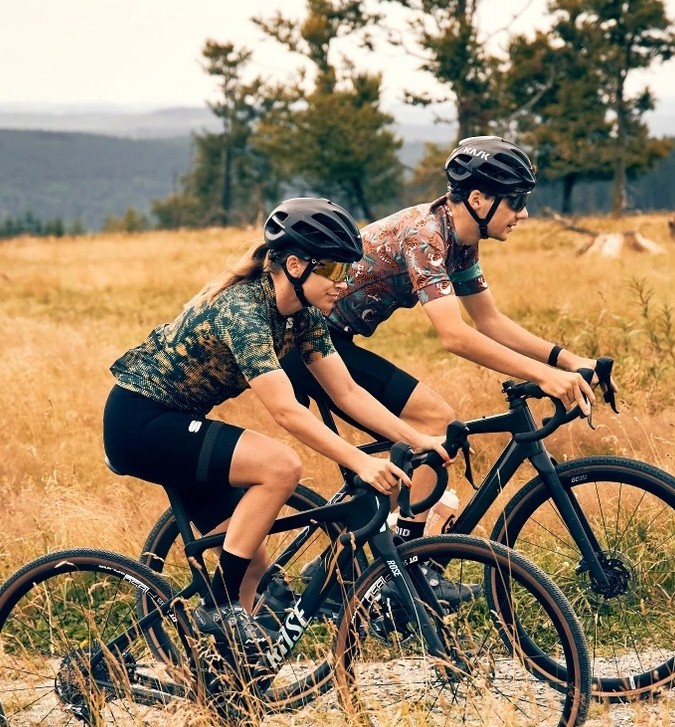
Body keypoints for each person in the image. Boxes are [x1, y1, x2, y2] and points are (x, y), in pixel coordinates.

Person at [104, 198, 450, 648]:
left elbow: (348, 393)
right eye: (335, 272)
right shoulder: (244, 310)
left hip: (178, 421)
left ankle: (228, 692)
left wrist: (415, 437)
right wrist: (359, 462)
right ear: (295, 264)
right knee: (279, 466)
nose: (343, 285)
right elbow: (286, 411)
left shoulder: (303, 318)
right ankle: (219, 606)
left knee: (254, 566)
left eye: (348, 272)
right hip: (140, 421)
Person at [282, 135, 599, 545]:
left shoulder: (461, 242)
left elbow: (489, 321)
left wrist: (566, 360)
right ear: (480, 199)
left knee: (425, 438)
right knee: (435, 421)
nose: (524, 213)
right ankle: (407, 559)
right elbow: (454, 336)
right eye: (517, 201)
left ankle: (387, 556)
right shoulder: (425, 236)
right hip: (307, 347)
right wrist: (543, 376)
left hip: (335, 341)